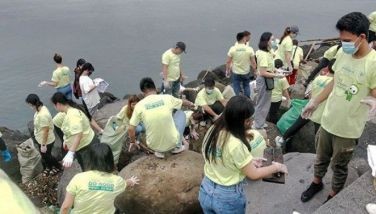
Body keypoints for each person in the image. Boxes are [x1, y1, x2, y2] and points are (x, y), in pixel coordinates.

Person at [301, 12, 376, 203]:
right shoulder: (343, 53)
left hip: (348, 129)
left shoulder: (373, 63)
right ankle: (316, 182)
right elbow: (335, 81)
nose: (343, 44)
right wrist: (315, 101)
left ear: (362, 37)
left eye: (347, 40)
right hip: (328, 119)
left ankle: (334, 194)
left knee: (340, 164)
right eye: (341, 40)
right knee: (320, 157)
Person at [198, 96, 288, 214]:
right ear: (245, 121)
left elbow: (220, 157)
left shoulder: (213, 130)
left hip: (205, 189)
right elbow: (254, 175)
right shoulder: (236, 143)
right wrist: (277, 167)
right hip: (227, 198)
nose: (253, 122)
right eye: (251, 119)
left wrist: (249, 161)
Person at [60, 143, 139, 214]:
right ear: (110, 160)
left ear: (90, 159)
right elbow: (125, 184)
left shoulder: (79, 178)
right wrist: (131, 181)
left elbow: (66, 207)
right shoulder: (117, 181)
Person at [128, 77, 195, 159]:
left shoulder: (139, 105)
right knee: (180, 113)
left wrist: (132, 141)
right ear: (155, 88)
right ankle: (177, 147)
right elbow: (183, 102)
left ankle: (160, 151)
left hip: (153, 145)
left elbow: (131, 128)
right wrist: (192, 104)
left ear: (142, 92)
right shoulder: (167, 98)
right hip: (172, 142)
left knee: (151, 120)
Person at [275, 60, 335, 149]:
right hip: (322, 113)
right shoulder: (336, 84)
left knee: (297, 124)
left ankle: (282, 140)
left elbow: (310, 94)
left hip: (310, 107)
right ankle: (319, 153)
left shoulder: (319, 78)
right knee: (318, 135)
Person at [51, 92, 100, 171]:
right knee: (87, 168)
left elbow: (78, 134)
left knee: (91, 170)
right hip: (81, 147)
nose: (54, 108)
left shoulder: (73, 115)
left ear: (58, 104)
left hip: (86, 147)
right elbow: (69, 130)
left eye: (54, 105)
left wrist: (70, 153)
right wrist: (66, 140)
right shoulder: (67, 112)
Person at [253, 32, 284, 130]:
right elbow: (262, 72)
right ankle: (258, 124)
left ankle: (261, 122)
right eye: (272, 40)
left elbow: (270, 65)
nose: (274, 41)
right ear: (266, 41)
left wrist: (276, 70)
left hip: (268, 79)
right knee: (262, 102)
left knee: (266, 102)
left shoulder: (268, 52)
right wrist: (276, 75)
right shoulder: (263, 55)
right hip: (264, 80)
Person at [26, 94, 61, 176]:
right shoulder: (40, 108)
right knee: (44, 155)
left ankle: (58, 167)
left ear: (32, 104)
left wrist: (43, 145)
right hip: (39, 138)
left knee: (47, 155)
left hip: (46, 140)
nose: (29, 107)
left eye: (30, 105)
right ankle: (49, 167)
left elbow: (45, 131)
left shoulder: (43, 115)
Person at [226, 32, 257, 98]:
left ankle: (239, 96)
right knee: (246, 85)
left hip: (236, 72)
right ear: (243, 39)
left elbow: (228, 61)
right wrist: (255, 71)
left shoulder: (232, 49)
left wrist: (227, 70)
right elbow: (253, 62)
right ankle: (247, 98)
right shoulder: (249, 49)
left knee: (236, 85)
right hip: (246, 72)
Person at [79, 62, 104, 134]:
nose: (90, 73)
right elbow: (87, 90)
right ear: (86, 70)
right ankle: (96, 130)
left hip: (91, 100)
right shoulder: (84, 79)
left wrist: (93, 82)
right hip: (90, 101)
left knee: (89, 116)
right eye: (90, 71)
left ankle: (90, 127)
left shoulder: (82, 77)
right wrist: (96, 84)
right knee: (89, 117)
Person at [268, 59, 291, 124]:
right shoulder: (282, 78)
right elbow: (285, 90)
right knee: (274, 113)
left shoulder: (269, 74)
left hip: (268, 97)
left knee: (270, 111)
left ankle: (269, 121)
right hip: (276, 99)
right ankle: (273, 125)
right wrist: (288, 99)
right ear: (280, 67)